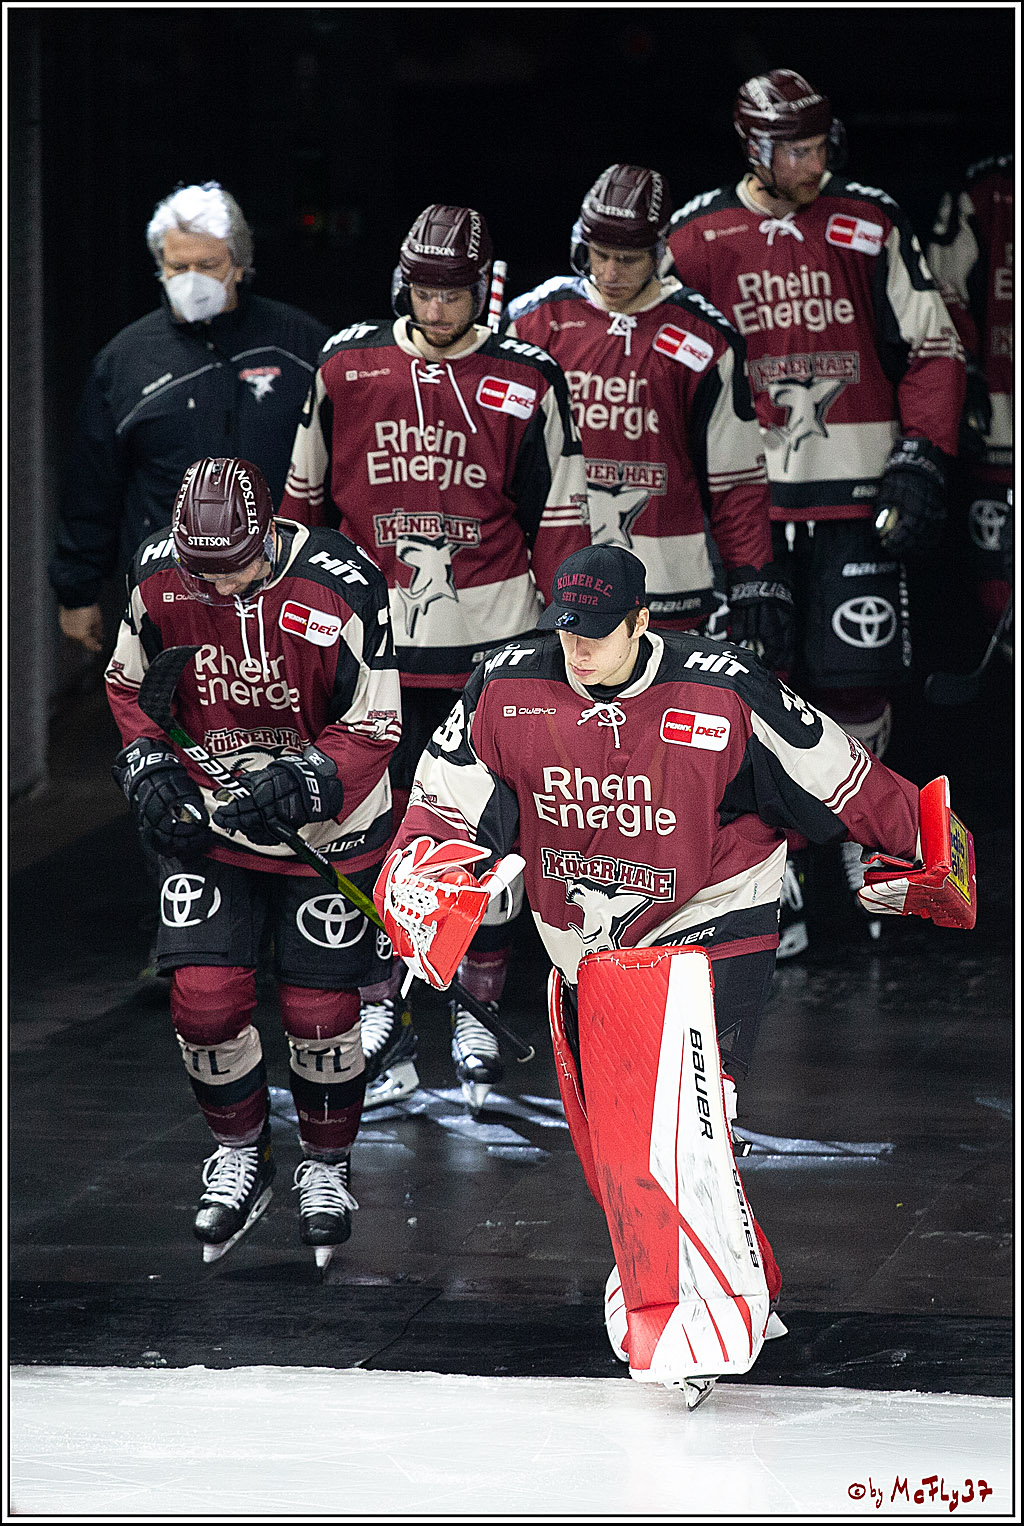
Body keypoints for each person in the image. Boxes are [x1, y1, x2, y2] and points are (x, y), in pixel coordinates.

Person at [375, 543, 976, 1405]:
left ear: (643, 621)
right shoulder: (504, 686)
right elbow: (438, 803)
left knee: (683, 1123)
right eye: (566, 630)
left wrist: (923, 847)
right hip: (584, 946)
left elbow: (838, 772)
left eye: (598, 633)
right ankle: (746, 1281)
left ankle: (688, 1325)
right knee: (620, 1148)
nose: (577, 650)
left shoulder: (724, 687)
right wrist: (426, 880)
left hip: (716, 917)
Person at [280, 203, 590, 1110]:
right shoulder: (346, 364)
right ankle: (381, 1005)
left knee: (484, 845)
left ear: (483, 288)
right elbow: (302, 508)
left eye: (455, 291)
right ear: (401, 282)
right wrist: (296, 632)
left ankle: (474, 1012)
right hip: (369, 657)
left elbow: (560, 519)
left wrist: (561, 646)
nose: (439, 305)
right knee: (370, 838)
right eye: (425, 288)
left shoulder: (528, 378)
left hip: (488, 649)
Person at [663, 70, 966, 947]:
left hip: (855, 495)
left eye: (819, 143)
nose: (811, 160)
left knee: (858, 681)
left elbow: (935, 348)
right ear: (749, 145)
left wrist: (921, 457)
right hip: (743, 503)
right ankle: (776, 872)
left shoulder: (868, 221)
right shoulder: (695, 237)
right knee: (757, 691)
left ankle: (863, 851)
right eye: (792, 146)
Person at [105, 457, 401, 1267]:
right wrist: (150, 768)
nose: (221, 585)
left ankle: (327, 1167)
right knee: (202, 1003)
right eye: (205, 569)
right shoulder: (158, 572)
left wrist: (306, 779)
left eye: (236, 565)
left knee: (321, 1016)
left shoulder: (346, 585)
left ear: (268, 531)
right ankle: (241, 1154)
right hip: (211, 821)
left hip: (327, 829)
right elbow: (132, 688)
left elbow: (375, 725)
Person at [506, 163, 789, 658]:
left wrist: (751, 573)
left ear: (659, 252)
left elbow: (735, 477)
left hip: (671, 582)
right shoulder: (532, 322)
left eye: (629, 259)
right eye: (600, 255)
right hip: (556, 587)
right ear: (580, 244)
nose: (611, 273)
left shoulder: (706, 336)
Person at [50, 181, 330, 653]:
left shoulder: (301, 345)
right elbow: (91, 486)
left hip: (291, 588)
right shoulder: (125, 361)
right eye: (178, 266)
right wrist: (77, 591)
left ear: (240, 266)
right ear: (159, 267)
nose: (191, 278)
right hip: (171, 594)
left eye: (208, 265)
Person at [927, 153, 1014, 655]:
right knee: (994, 579)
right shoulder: (986, 189)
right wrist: (970, 377)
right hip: (1001, 424)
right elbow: (942, 291)